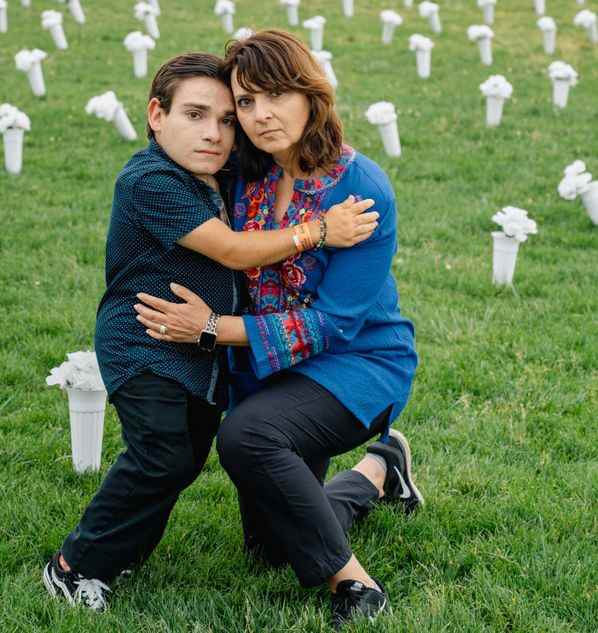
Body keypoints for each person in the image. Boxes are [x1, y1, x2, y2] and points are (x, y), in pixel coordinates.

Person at [43, 52, 376, 612]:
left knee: (187, 453)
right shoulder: (150, 179)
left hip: (200, 347)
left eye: (226, 120)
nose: (214, 134)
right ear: (156, 114)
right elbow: (231, 249)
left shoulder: (217, 173)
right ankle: (75, 566)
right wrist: (318, 229)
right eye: (196, 115)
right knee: (163, 455)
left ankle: (124, 551)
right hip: (144, 341)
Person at [135, 31, 420, 627]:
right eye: (246, 102)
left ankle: (357, 587)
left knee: (246, 436)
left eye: (276, 95)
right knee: (273, 552)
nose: (260, 116)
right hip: (274, 370)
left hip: (356, 363)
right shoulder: (244, 171)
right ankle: (379, 469)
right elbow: (185, 170)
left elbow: (335, 322)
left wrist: (211, 329)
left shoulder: (361, 189)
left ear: (311, 94)